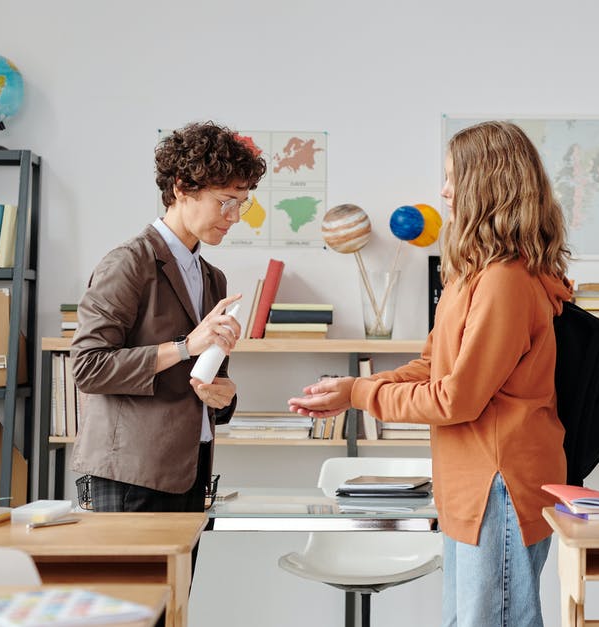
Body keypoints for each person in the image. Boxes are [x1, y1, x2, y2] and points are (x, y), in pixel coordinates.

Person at [289, 120, 572, 627]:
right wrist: (352, 391)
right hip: (472, 484)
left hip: (499, 484)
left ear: (490, 184)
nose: (443, 190)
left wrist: (360, 394)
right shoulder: (473, 273)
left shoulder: (506, 280)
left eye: (453, 177)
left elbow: (455, 399)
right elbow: (433, 366)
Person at [71, 121, 266, 512]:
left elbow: (205, 376)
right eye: (225, 201)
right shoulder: (128, 264)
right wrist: (185, 346)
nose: (235, 217)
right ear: (181, 187)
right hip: (132, 474)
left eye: (240, 204)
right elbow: (88, 368)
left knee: (181, 578)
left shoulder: (212, 277)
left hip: (190, 471)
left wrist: (224, 398)